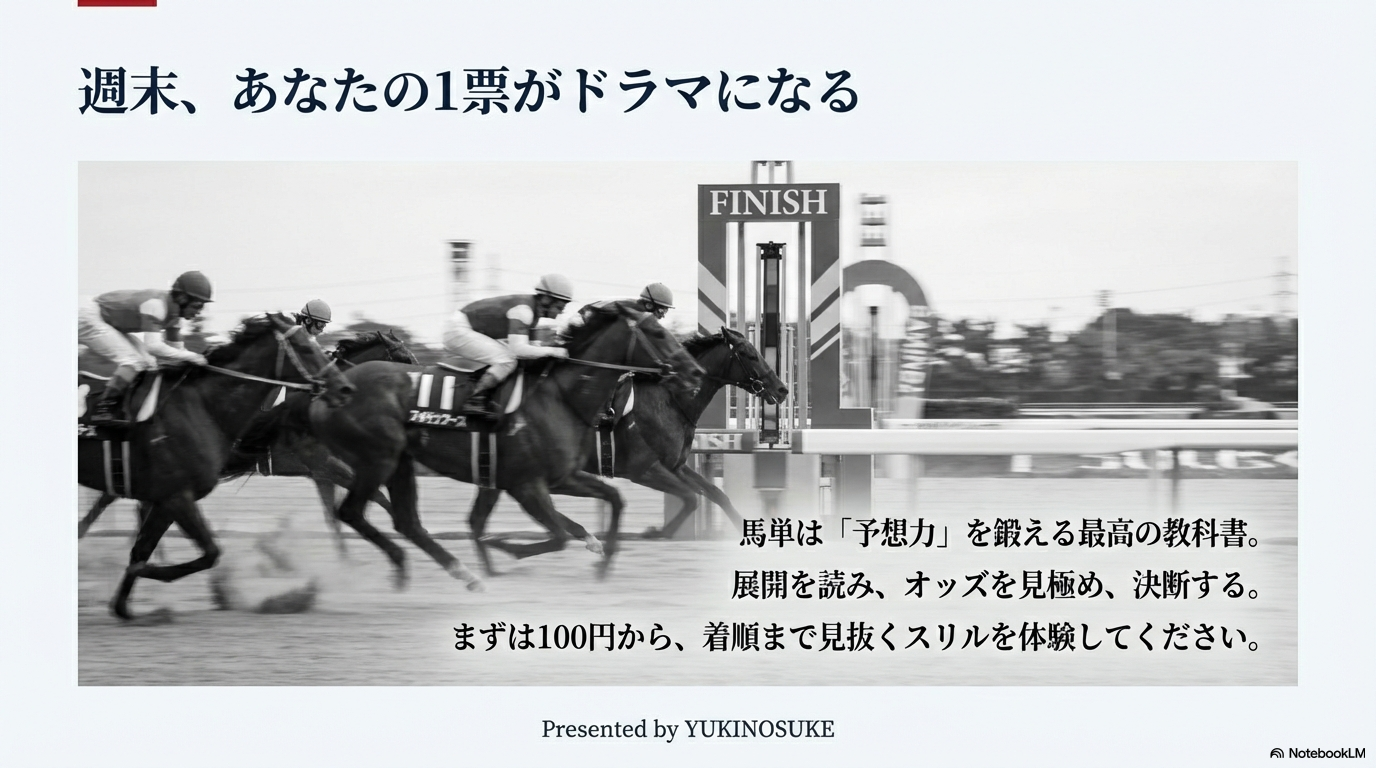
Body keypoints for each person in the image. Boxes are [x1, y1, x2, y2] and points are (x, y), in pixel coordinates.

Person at [79, 270, 213, 424]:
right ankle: (103, 408)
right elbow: (153, 347)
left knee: (149, 364)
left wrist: (196, 358)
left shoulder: (175, 318)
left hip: (109, 322)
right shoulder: (156, 305)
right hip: (90, 316)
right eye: (197, 306)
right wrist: (192, 356)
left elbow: (177, 352)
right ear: (182, 298)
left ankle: (126, 404)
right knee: (133, 362)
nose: (199, 312)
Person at [442, 274, 573, 416]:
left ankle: (484, 388)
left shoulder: (532, 312)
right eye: (559, 307)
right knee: (507, 360)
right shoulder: (524, 311)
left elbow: (529, 348)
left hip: (466, 327)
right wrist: (552, 351)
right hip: (457, 330)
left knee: (508, 357)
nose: (561, 312)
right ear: (546, 299)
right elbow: (518, 350)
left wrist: (547, 348)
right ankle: (475, 400)